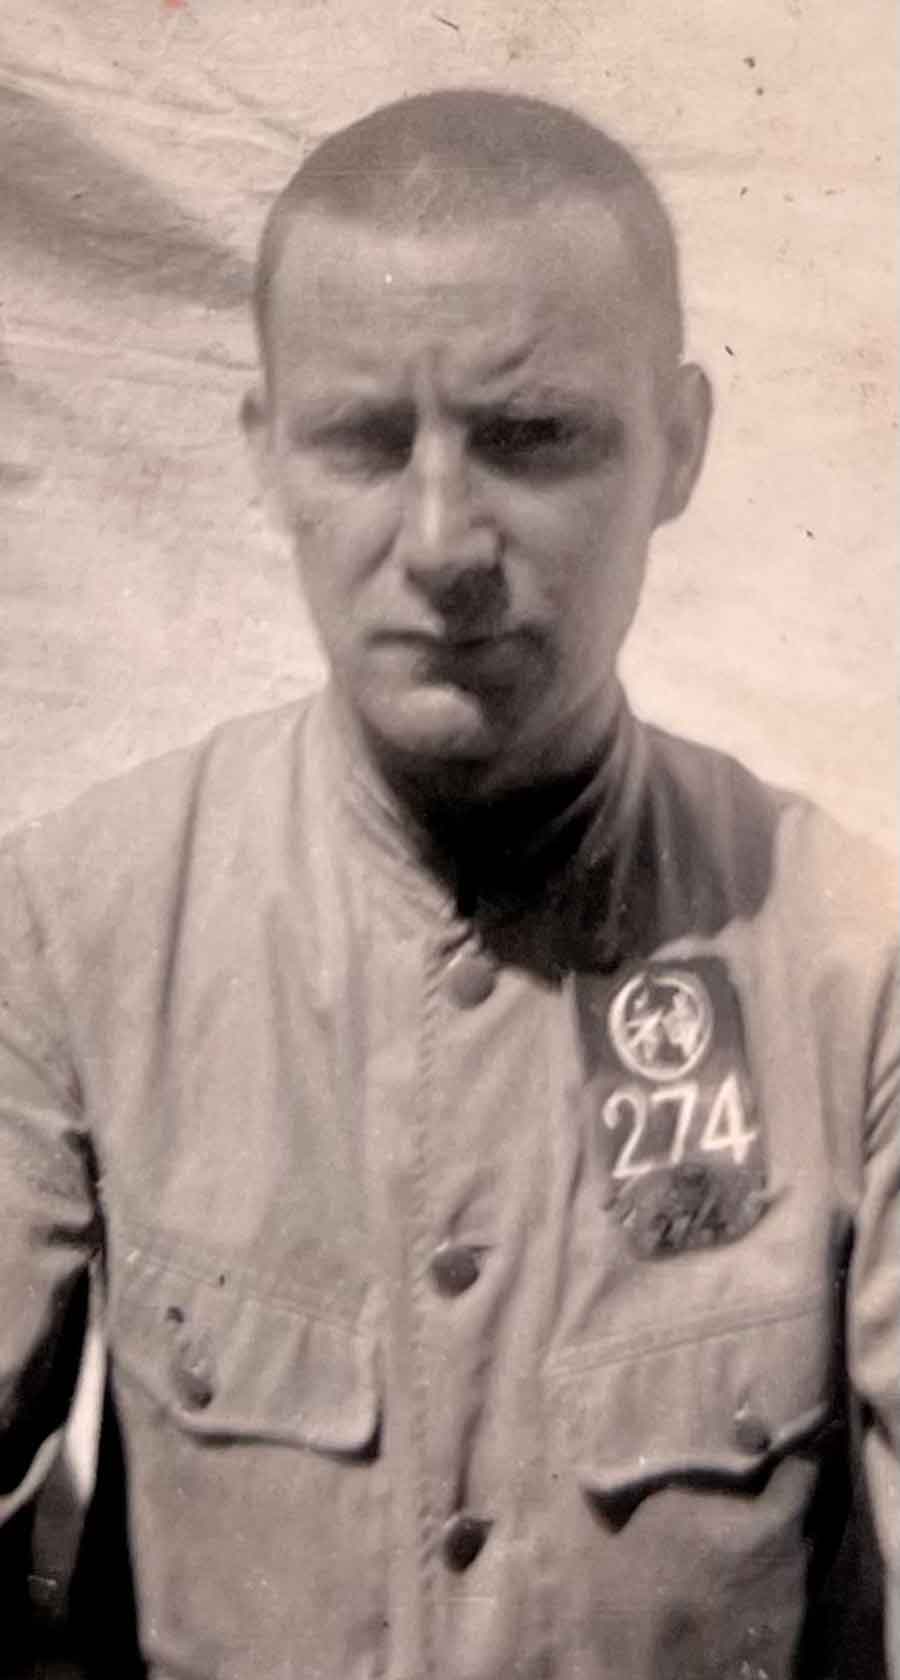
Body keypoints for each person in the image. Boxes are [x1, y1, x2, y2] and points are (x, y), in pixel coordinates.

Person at [0, 87, 896, 1680]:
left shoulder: (854, 965)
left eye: (531, 437)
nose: (441, 542)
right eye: (363, 439)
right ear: (264, 453)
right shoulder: (74, 930)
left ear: (680, 447)